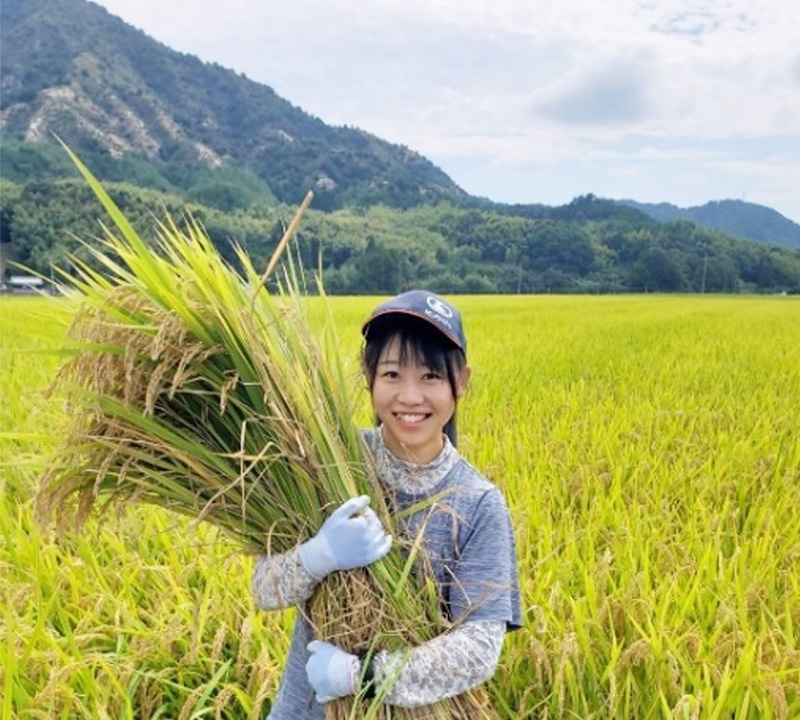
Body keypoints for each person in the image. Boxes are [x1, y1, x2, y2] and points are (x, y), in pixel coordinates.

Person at [252, 290, 522, 718]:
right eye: (393, 374)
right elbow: (263, 589)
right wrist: (318, 555)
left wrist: (362, 676)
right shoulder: (329, 463)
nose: (410, 396)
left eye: (431, 376)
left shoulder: (478, 504)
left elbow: (479, 648)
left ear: (462, 382)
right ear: (369, 377)